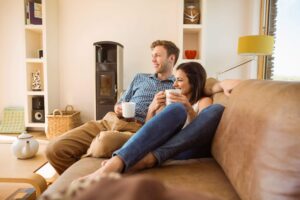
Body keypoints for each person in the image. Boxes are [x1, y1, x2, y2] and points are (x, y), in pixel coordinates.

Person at [46, 39, 238, 175]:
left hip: (136, 127)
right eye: (152, 55)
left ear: (171, 58)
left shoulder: (175, 86)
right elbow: (120, 100)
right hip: (110, 120)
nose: (153, 59)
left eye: (158, 56)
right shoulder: (140, 77)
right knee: (54, 149)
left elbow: (203, 84)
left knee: (103, 143)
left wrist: (218, 85)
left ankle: (106, 168)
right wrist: (119, 107)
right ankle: (74, 181)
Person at [80, 61, 227, 179]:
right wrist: (153, 108)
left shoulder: (203, 101)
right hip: (165, 146)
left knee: (216, 109)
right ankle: (118, 162)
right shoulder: (171, 104)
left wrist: (188, 108)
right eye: (175, 80)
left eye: (180, 80)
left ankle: (146, 159)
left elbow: (200, 131)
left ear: (194, 82)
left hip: (186, 148)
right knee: (177, 110)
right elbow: (149, 129)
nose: (174, 84)